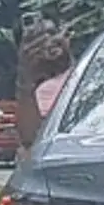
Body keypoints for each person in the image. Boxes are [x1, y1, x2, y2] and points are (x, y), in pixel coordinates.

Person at [15, 17, 74, 153]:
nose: (49, 42)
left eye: (52, 34)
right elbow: (32, 140)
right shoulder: (40, 92)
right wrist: (25, 78)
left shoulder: (89, 74)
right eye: (38, 40)